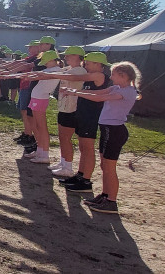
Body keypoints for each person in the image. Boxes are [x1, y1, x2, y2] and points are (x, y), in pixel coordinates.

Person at [21, 51, 112, 194]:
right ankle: (80, 175)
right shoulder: (88, 75)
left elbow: (75, 76)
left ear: (98, 64)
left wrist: (51, 75)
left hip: (91, 116)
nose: (86, 64)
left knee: (87, 148)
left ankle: (85, 180)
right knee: (83, 147)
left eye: (88, 63)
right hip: (82, 114)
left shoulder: (98, 75)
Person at [61, 61, 141, 214]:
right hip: (108, 130)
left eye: (114, 74)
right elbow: (98, 93)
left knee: (109, 168)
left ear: (123, 76)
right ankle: (105, 196)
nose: (110, 77)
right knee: (105, 166)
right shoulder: (117, 87)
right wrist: (73, 91)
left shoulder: (127, 91)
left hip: (115, 131)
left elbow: (99, 99)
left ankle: (111, 201)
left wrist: (75, 92)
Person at [49, 46, 87, 177]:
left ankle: (68, 167)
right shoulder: (69, 69)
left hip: (72, 108)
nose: (66, 57)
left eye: (70, 55)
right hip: (64, 107)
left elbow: (61, 75)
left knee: (66, 138)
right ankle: (63, 162)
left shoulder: (80, 70)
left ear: (78, 57)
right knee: (62, 137)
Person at [24, 50, 62, 164]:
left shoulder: (55, 70)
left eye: (46, 61)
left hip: (40, 99)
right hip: (37, 98)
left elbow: (34, 76)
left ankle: (44, 154)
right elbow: (34, 75)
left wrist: (15, 75)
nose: (44, 64)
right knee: (37, 126)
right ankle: (40, 151)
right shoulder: (49, 69)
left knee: (42, 127)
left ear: (52, 60)